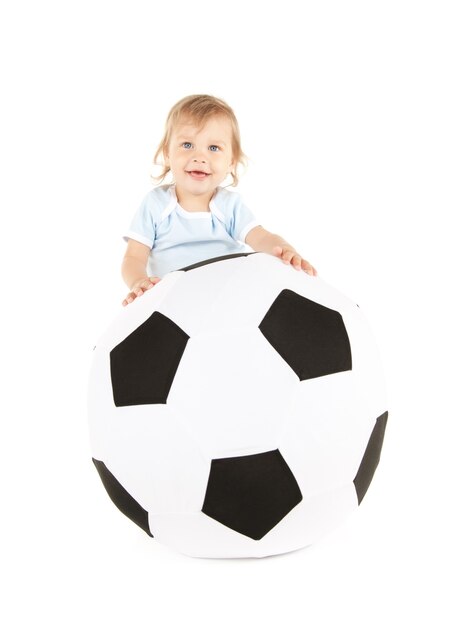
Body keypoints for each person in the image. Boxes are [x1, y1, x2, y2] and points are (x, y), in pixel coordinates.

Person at [121, 94, 317, 306]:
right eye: (187, 145)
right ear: (167, 153)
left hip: (225, 299)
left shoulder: (229, 206)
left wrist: (284, 249)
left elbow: (261, 238)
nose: (200, 157)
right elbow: (133, 257)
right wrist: (138, 281)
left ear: (231, 162)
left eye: (213, 148)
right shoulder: (156, 204)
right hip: (173, 304)